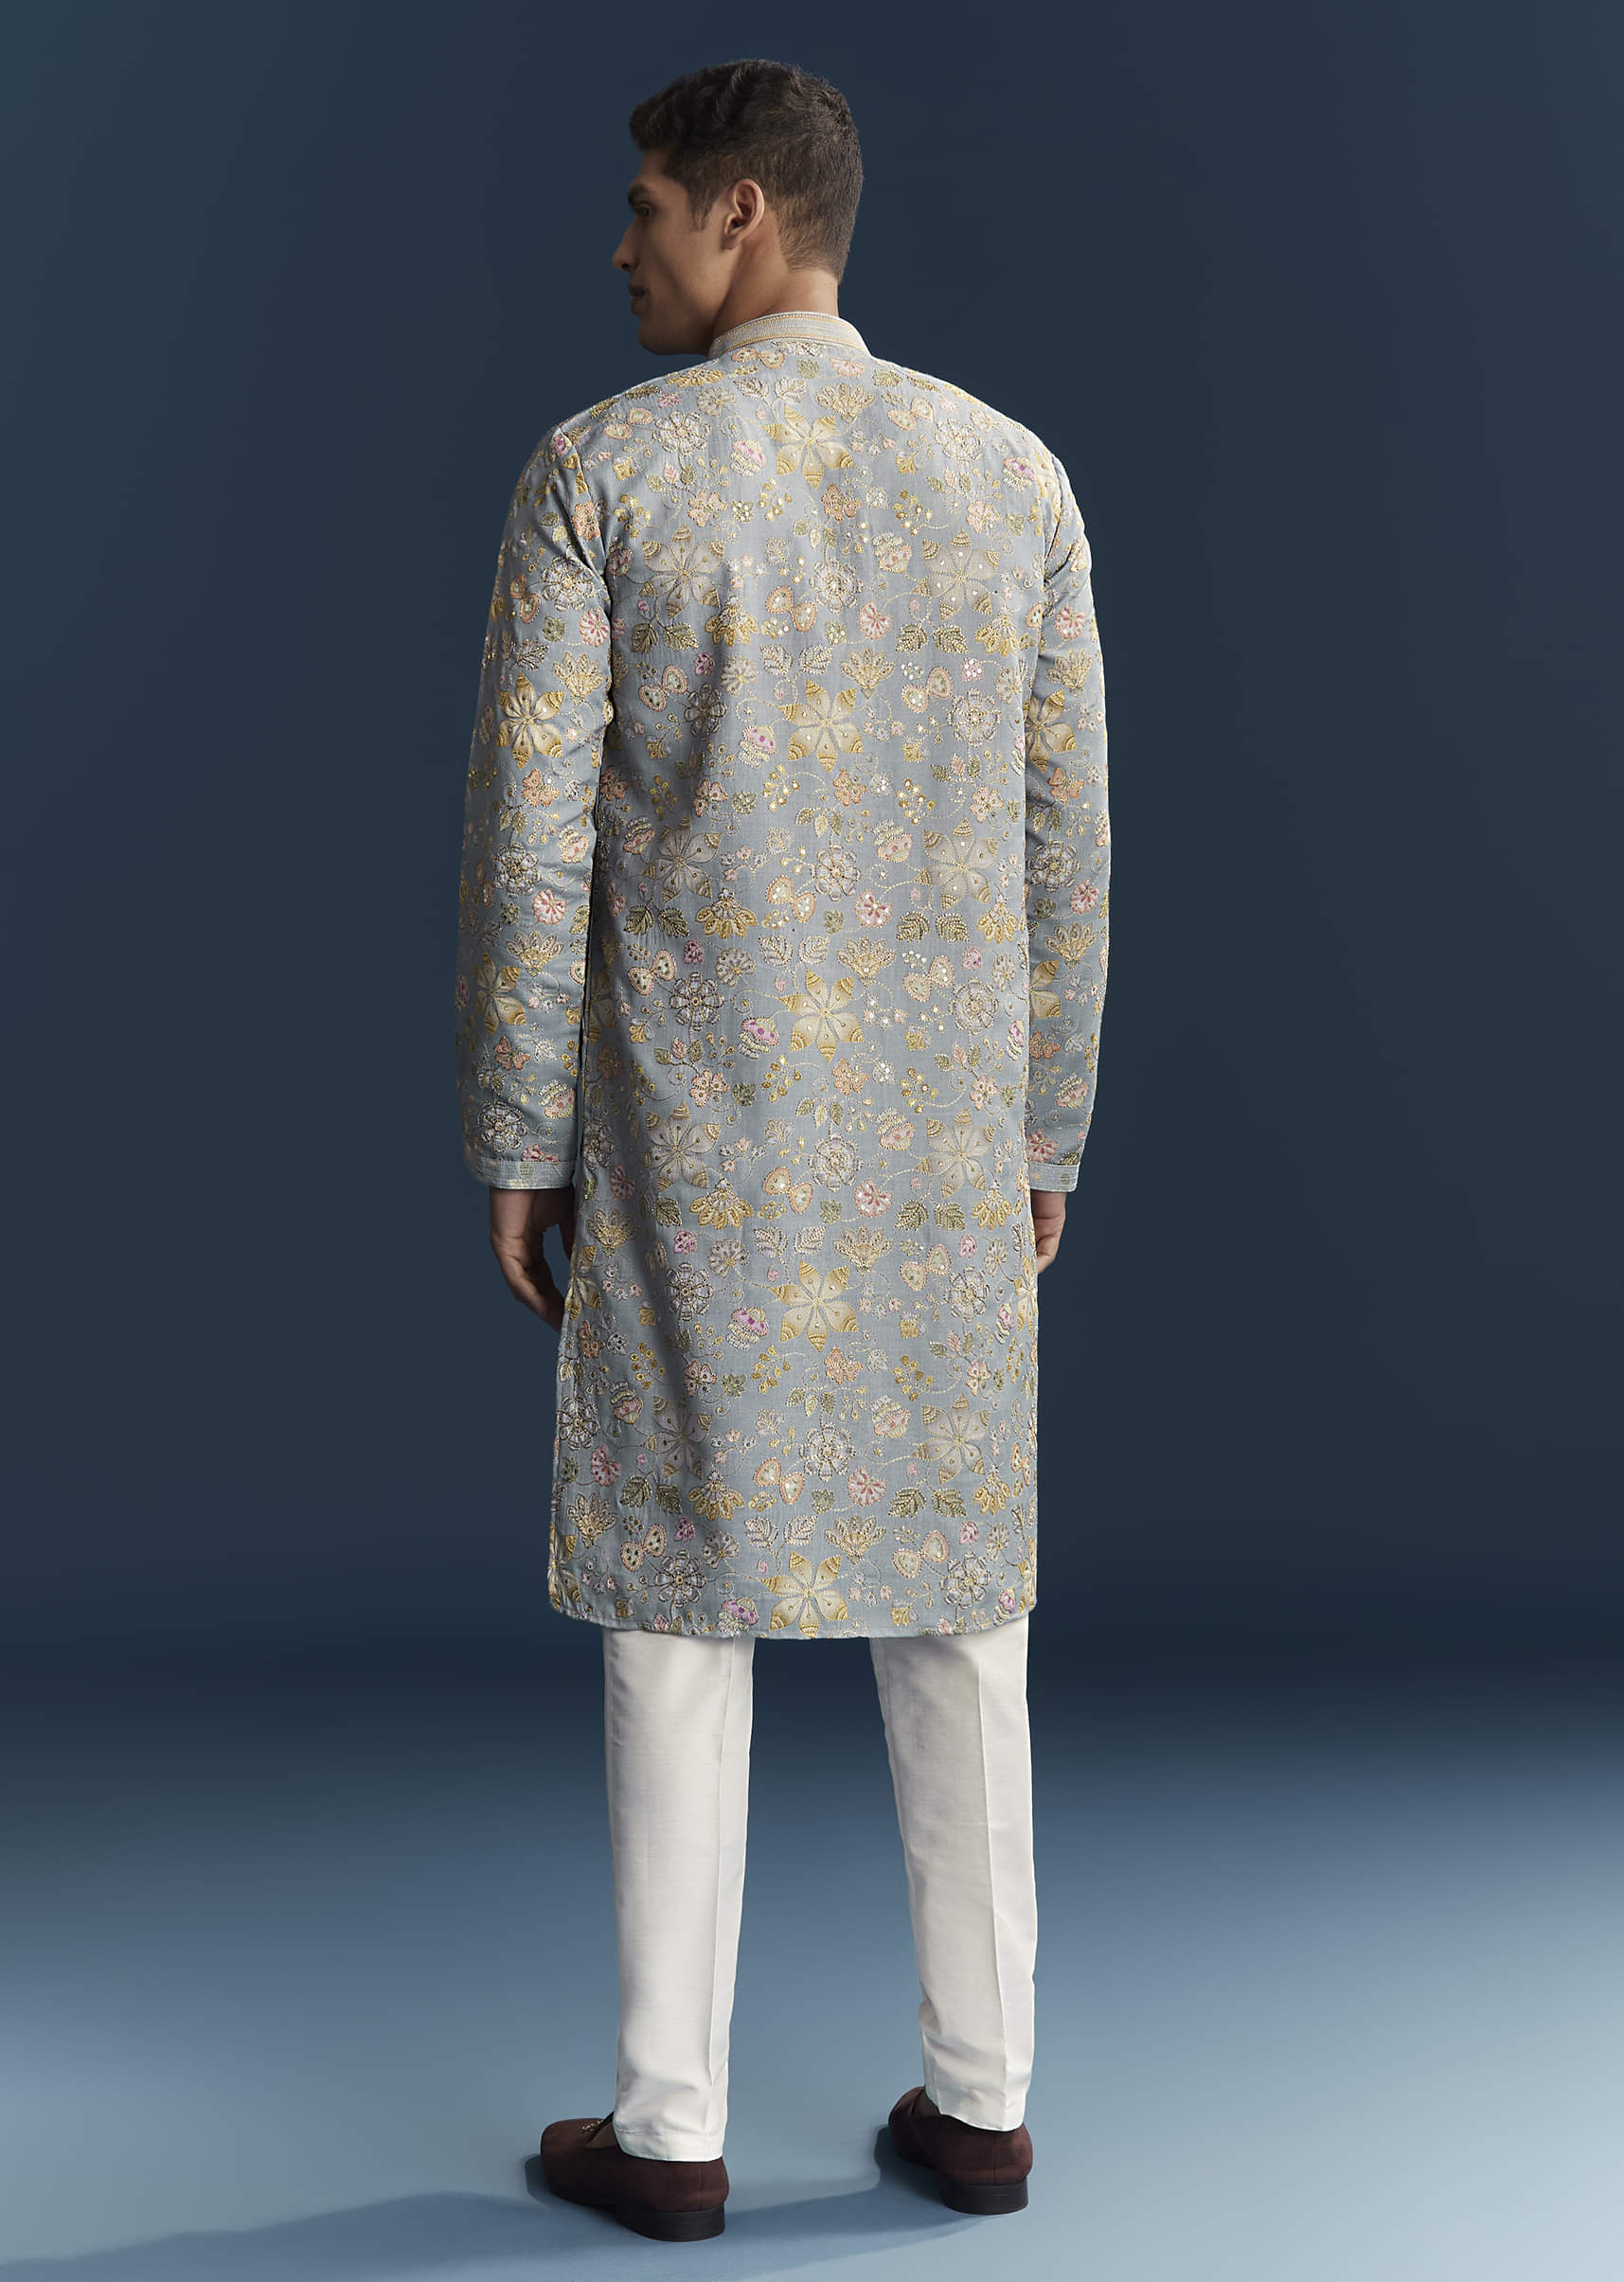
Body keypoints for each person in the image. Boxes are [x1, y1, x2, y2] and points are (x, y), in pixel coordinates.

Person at [452, 57, 1109, 2242]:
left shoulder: (603, 473)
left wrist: (521, 1132)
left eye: (646, 206)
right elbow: (1068, 851)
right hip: (939, 1149)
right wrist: (1047, 1123)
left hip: (694, 1130)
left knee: (676, 1603)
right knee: (963, 1609)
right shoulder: (1011, 476)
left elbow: (530, 855)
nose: (621, 245)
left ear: (741, 213)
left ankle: (670, 2130)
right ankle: (987, 2104)